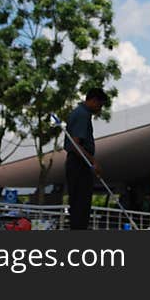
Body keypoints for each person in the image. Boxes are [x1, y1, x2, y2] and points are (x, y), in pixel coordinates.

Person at [65, 88, 108, 230]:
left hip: (78, 162)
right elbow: (76, 144)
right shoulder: (82, 115)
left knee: (79, 203)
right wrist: (93, 161)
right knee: (81, 205)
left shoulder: (80, 113)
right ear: (94, 100)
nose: (99, 109)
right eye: (100, 105)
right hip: (79, 163)